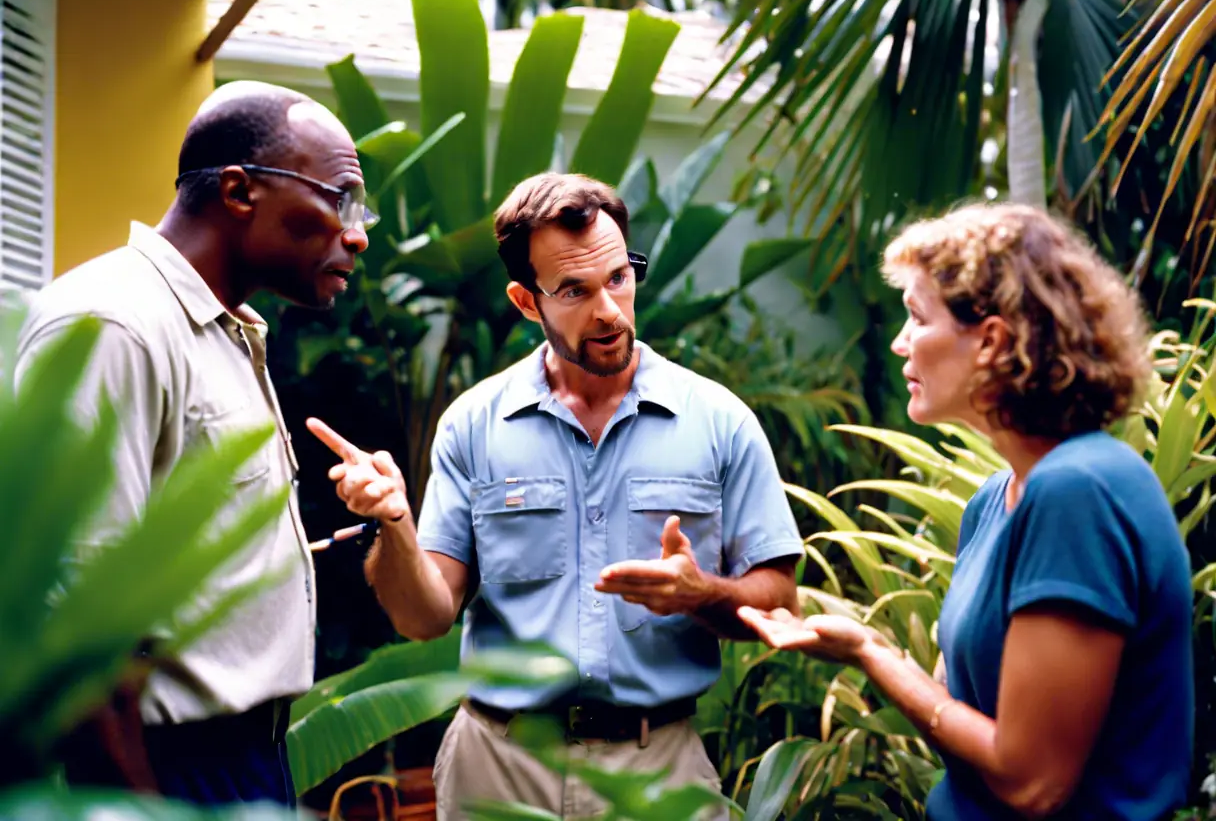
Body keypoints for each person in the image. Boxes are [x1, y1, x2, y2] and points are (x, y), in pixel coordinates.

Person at [307, 172, 806, 820]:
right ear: (525, 300)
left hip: (659, 765)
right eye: (574, 290)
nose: (608, 310)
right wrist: (395, 524)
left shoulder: (718, 420)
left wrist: (701, 595)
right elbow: (424, 617)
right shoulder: (475, 424)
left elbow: (779, 600)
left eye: (619, 278)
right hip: (500, 765)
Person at [739, 203, 1195, 820]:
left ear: (992, 341)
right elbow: (959, 705)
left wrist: (872, 655)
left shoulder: (1079, 491)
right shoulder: (993, 502)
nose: (900, 342)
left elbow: (1030, 781)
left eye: (917, 318)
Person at [15, 80, 375, 806]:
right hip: (168, 772)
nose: (358, 232)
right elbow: (83, 624)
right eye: (339, 198)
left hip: (249, 760)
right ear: (240, 191)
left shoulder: (227, 331)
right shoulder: (113, 322)